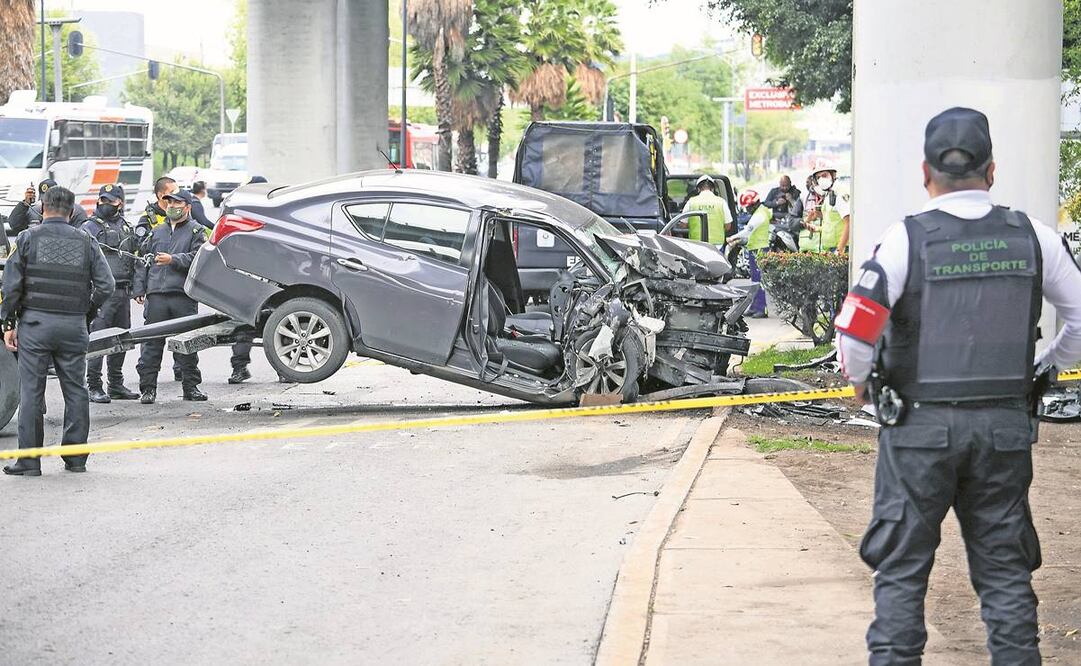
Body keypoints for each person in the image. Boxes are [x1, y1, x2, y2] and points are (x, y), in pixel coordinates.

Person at [834, 107, 1081, 665]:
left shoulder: (904, 240)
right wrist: (1043, 366)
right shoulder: (1034, 237)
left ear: (925, 173)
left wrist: (862, 384)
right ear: (991, 171)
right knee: (1006, 573)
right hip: (1004, 430)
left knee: (902, 571)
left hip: (918, 431)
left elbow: (855, 329)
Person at [1, 185, 114, 476]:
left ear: (42, 207)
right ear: (72, 210)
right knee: (76, 390)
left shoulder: (27, 238)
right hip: (73, 326)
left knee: (31, 391)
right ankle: (75, 459)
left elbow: (11, 287)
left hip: (35, 326)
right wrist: (86, 312)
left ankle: (29, 461)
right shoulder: (86, 240)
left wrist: (8, 323)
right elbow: (107, 285)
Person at [133, 189, 207, 404]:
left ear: (188, 207)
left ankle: (191, 387)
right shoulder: (157, 231)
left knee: (187, 344)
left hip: (182, 295)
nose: (172, 207)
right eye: (170, 203)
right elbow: (143, 260)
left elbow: (198, 258)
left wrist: (173, 259)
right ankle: (148, 389)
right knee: (151, 345)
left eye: (177, 203)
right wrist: (139, 288)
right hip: (156, 295)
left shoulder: (196, 231)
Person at [82, 184, 140, 404]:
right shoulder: (89, 227)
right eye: (103, 200)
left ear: (120, 202)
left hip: (123, 291)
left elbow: (134, 258)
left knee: (121, 339)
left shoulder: (126, 226)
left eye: (111, 201)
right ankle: (94, 385)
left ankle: (115, 384)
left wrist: (138, 288)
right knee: (98, 340)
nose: (105, 204)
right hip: (101, 293)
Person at [226, 175, 269, 384]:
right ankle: (240, 368)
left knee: (248, 328)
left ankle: (240, 368)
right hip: (259, 278)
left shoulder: (243, 212)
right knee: (264, 326)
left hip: (253, 278)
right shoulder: (264, 212)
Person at [726, 190, 771, 317]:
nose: (747, 210)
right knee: (755, 280)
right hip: (756, 249)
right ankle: (755, 306)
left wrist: (732, 238)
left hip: (759, 250)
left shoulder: (759, 215)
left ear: (755, 204)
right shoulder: (760, 212)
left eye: (749, 207)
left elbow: (747, 231)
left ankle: (761, 309)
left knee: (759, 281)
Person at [800, 163, 850, 253]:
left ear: (833, 175)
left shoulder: (839, 193)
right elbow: (832, 224)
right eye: (818, 177)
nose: (821, 179)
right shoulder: (829, 194)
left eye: (824, 175)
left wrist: (839, 250)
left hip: (841, 249)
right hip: (832, 249)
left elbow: (849, 223)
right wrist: (817, 228)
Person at [8, 179, 89, 234]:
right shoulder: (34, 211)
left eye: (51, 202)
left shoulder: (74, 211)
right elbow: (14, 225)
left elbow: (81, 236)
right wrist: (24, 205)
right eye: (45, 202)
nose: (47, 206)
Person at [682, 175, 732, 246]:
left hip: (696, 244)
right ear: (713, 189)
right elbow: (728, 226)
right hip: (717, 245)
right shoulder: (721, 202)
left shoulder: (691, 202)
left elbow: (683, 224)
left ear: (698, 189)